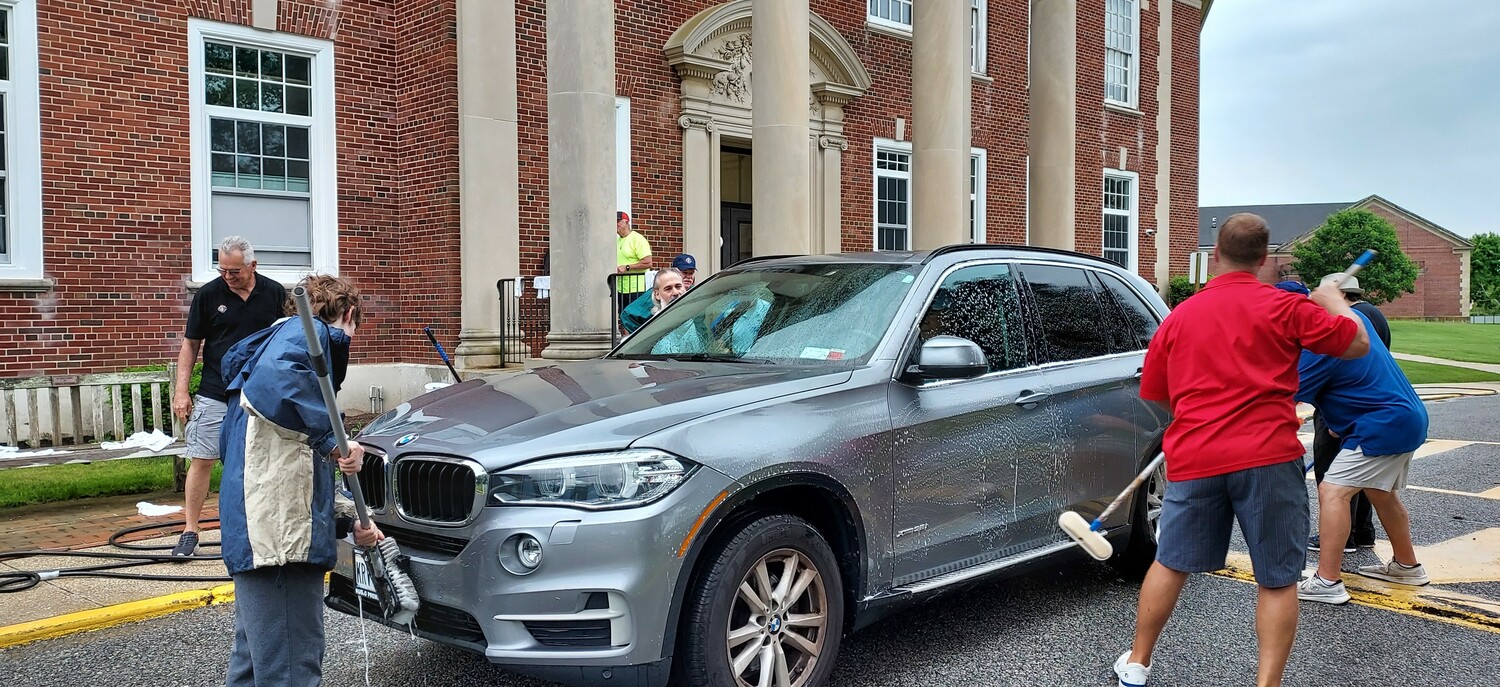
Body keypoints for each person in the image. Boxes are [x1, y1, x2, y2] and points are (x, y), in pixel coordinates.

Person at [1115, 213, 1369, 687]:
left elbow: (1157, 393)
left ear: (1215, 255)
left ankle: (1138, 662)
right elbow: (1355, 342)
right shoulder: (1285, 307)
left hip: (1196, 456)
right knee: (1277, 577)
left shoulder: (1180, 317)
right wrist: (1335, 299)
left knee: (1171, 562)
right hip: (1268, 457)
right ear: (1264, 259)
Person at [218, 274, 383, 687]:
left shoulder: (269, 346)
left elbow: (289, 468)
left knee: (255, 667)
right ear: (348, 315)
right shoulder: (302, 339)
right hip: (281, 548)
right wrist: (334, 440)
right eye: (354, 329)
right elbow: (279, 384)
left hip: (264, 536)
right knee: (291, 671)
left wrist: (347, 519)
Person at [1275, 279, 1430, 605]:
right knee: (1380, 492)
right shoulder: (1347, 324)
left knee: (1333, 490)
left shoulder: (1317, 347)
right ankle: (1407, 566)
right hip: (1405, 418)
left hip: (1382, 424)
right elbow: (1347, 381)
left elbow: (1281, 396)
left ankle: (1328, 581)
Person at [169, 236, 288, 557]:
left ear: (253, 266)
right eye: (222, 270)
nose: (227, 276)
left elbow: (287, 340)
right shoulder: (209, 295)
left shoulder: (275, 293)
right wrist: (182, 391)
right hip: (215, 392)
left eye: (234, 271)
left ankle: (255, 527)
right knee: (203, 458)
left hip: (258, 394)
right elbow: (190, 344)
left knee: (257, 462)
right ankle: (190, 530)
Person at [1308, 273, 1390, 553]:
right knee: (1368, 478)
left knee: (1333, 477)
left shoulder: (1345, 321)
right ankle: (1363, 531)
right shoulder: (1374, 314)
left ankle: (1342, 538)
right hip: (1373, 407)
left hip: (1343, 406)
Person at [620, 254, 697, 333]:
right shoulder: (654, 295)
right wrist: (641, 338)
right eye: (684, 272)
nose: (688, 276)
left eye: (691, 273)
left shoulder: (695, 292)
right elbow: (628, 315)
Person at [614, 211, 653, 315]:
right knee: (624, 317)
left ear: (627, 222)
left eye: (618, 221)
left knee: (635, 318)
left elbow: (648, 262)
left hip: (638, 288)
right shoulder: (616, 241)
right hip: (621, 288)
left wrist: (627, 267)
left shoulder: (637, 239)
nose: (615, 224)